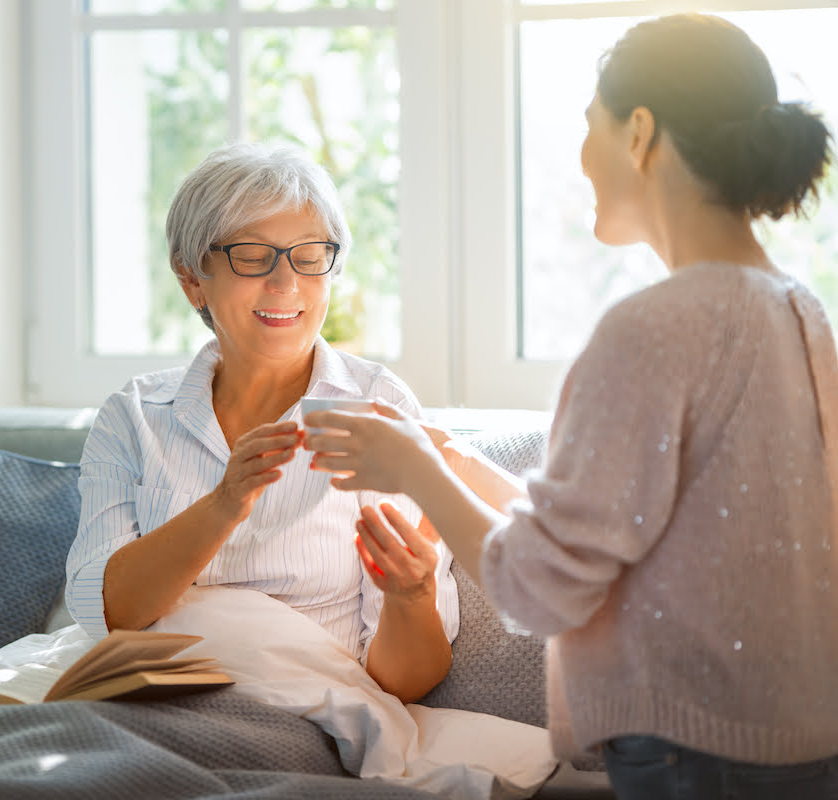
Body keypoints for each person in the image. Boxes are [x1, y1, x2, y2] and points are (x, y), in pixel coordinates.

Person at [304, 12, 838, 800]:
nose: (581, 158)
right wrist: (450, 459)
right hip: (797, 742)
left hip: (691, 753)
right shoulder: (800, 312)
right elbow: (619, 538)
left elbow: (541, 586)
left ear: (641, 132)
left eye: (591, 126)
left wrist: (413, 470)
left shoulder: (652, 329)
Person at [64, 142, 458, 703]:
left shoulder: (378, 406)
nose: (285, 282)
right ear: (192, 278)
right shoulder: (133, 417)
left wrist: (413, 594)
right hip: (145, 707)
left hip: (305, 716)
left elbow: (404, 682)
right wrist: (225, 502)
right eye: (253, 256)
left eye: (309, 254)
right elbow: (101, 611)